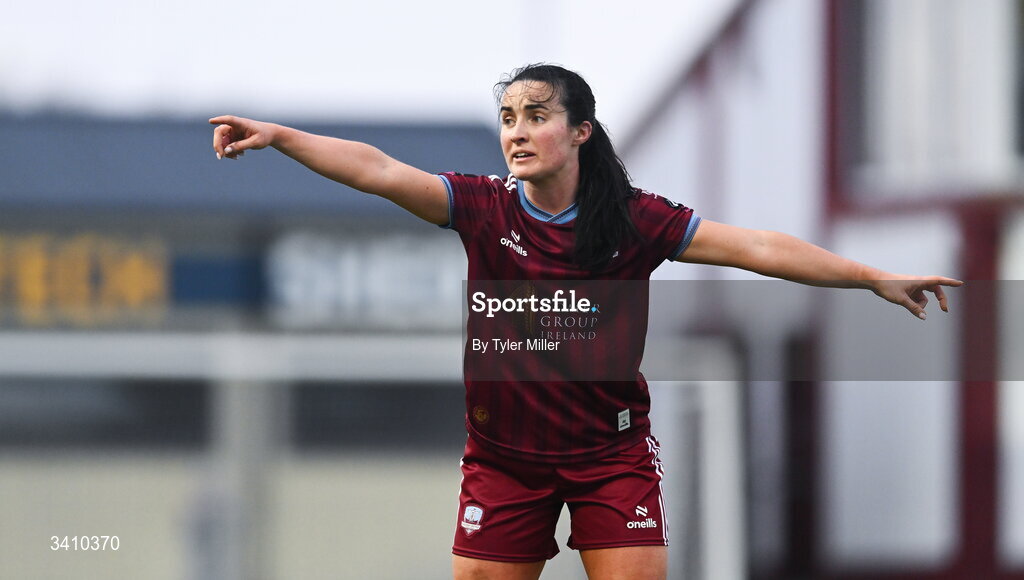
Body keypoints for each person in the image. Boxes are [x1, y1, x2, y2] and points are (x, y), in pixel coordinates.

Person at [210, 63, 961, 580]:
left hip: (610, 458)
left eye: (536, 116)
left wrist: (871, 277)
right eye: (507, 118)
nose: (517, 132)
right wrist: (280, 135)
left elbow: (758, 246)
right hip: (503, 462)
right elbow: (376, 169)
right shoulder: (481, 209)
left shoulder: (636, 221)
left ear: (581, 132)